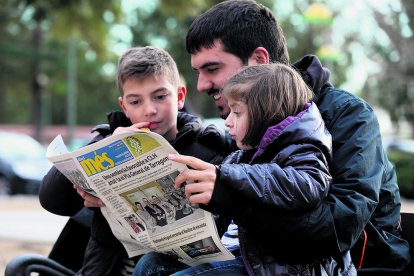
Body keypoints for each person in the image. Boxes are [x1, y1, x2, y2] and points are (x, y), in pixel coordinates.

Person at [181, 0, 411, 274]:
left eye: (212, 69)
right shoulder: (245, 123)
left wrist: (229, 197)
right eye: (198, 72)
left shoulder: (348, 116)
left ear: (258, 61)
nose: (201, 85)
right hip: (260, 260)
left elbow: (332, 232)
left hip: (359, 268)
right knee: (153, 264)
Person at [134, 63, 356, 275]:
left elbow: (306, 185)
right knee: (150, 264)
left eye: (237, 113)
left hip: (276, 267)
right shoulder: (240, 156)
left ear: (266, 114)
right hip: (236, 254)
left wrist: (227, 177)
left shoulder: (303, 148)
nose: (228, 122)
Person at [39, 46, 228, 276]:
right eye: (136, 102)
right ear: (124, 107)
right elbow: (52, 200)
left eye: (160, 96)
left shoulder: (209, 150)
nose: (149, 109)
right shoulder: (107, 140)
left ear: (179, 97)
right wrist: (107, 145)